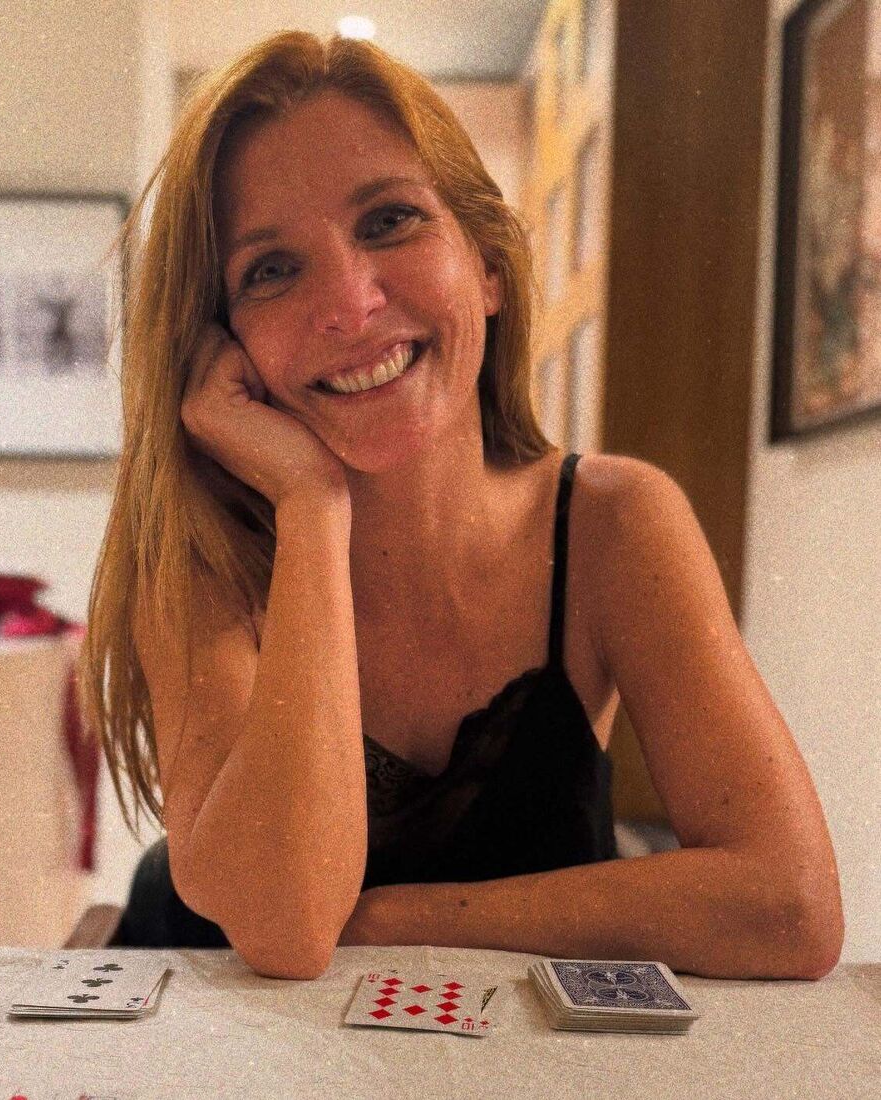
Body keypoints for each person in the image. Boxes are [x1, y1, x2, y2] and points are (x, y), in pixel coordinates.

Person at [78, 31, 844, 981]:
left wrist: (390, 922)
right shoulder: (204, 556)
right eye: (270, 269)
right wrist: (312, 508)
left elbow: (790, 906)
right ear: (221, 344)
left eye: (389, 220)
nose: (350, 304)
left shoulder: (615, 523)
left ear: (487, 264)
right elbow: (288, 927)